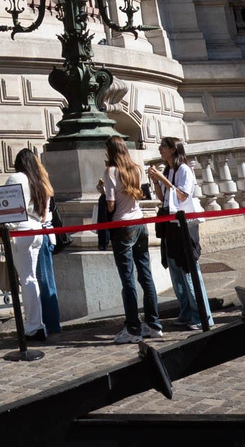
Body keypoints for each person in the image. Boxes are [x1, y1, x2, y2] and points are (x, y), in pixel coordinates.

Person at [99, 136, 163, 343]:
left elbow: (110, 205)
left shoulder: (110, 171)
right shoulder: (135, 169)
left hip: (122, 226)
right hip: (139, 223)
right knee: (145, 274)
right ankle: (153, 324)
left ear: (110, 151)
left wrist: (102, 190)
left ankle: (133, 328)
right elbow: (139, 195)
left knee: (128, 279)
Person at [144, 137, 209, 329]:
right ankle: (186, 311)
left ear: (173, 149)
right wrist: (156, 181)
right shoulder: (169, 170)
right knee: (174, 269)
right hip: (170, 224)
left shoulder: (183, 170)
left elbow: (181, 196)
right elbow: (164, 198)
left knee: (188, 268)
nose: (160, 149)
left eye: (163, 146)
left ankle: (201, 315)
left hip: (184, 225)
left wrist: (162, 179)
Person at [7, 147, 58, 340]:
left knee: (27, 279)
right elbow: (45, 214)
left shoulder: (17, 178)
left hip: (22, 229)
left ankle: (33, 325)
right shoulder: (39, 181)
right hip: (37, 228)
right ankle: (36, 323)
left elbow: (9, 208)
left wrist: (6, 228)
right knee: (32, 279)